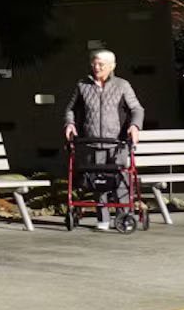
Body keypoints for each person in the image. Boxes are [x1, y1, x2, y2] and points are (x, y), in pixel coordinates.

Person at [60, 49, 144, 231]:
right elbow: (70, 109)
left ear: (112, 66)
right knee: (97, 181)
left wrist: (135, 126)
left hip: (117, 142)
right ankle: (103, 219)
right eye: (94, 63)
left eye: (101, 64)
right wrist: (70, 124)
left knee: (120, 180)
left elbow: (137, 109)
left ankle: (124, 217)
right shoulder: (83, 85)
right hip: (91, 141)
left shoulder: (122, 85)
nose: (96, 67)